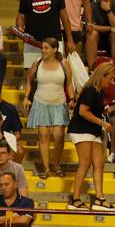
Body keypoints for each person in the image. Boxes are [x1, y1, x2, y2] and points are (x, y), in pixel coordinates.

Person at [67, 61, 115, 210]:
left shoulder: (99, 91)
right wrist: (102, 123)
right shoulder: (90, 89)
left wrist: (109, 110)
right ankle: (75, 199)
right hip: (81, 129)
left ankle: (100, 198)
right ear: (103, 76)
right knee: (85, 162)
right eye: (111, 78)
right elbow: (82, 111)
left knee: (99, 163)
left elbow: (93, 110)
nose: (111, 82)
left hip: (92, 130)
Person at [26, 38, 72, 178]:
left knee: (59, 136)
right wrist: (26, 97)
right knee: (43, 137)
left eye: (46, 48)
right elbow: (29, 81)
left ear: (55, 49)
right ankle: (46, 168)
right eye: (43, 47)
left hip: (59, 103)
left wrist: (72, 99)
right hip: (41, 102)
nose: (43, 50)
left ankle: (56, 165)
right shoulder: (37, 63)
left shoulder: (64, 64)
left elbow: (69, 84)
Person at [15, 0, 73, 68]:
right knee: (30, 73)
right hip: (32, 42)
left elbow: (64, 16)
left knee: (57, 72)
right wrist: (20, 30)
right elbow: (21, 16)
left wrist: (70, 39)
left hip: (54, 41)